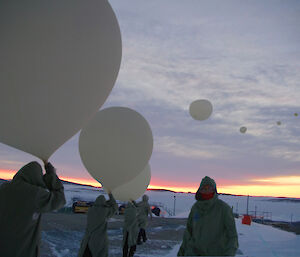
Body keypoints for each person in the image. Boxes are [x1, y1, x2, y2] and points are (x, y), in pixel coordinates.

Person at [0, 161, 66, 257]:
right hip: (22, 250)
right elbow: (60, 200)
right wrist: (51, 176)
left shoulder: (4, 188)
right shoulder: (35, 194)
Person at [178, 176, 239, 256]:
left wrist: (229, 254)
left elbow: (232, 236)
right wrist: (181, 253)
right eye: (203, 188)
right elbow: (188, 233)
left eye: (209, 188)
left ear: (214, 190)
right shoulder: (195, 208)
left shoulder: (224, 209)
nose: (206, 191)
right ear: (200, 190)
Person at [78, 192, 118, 257]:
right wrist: (110, 195)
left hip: (87, 238)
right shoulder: (104, 211)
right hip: (98, 239)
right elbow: (115, 207)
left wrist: (105, 204)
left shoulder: (90, 210)